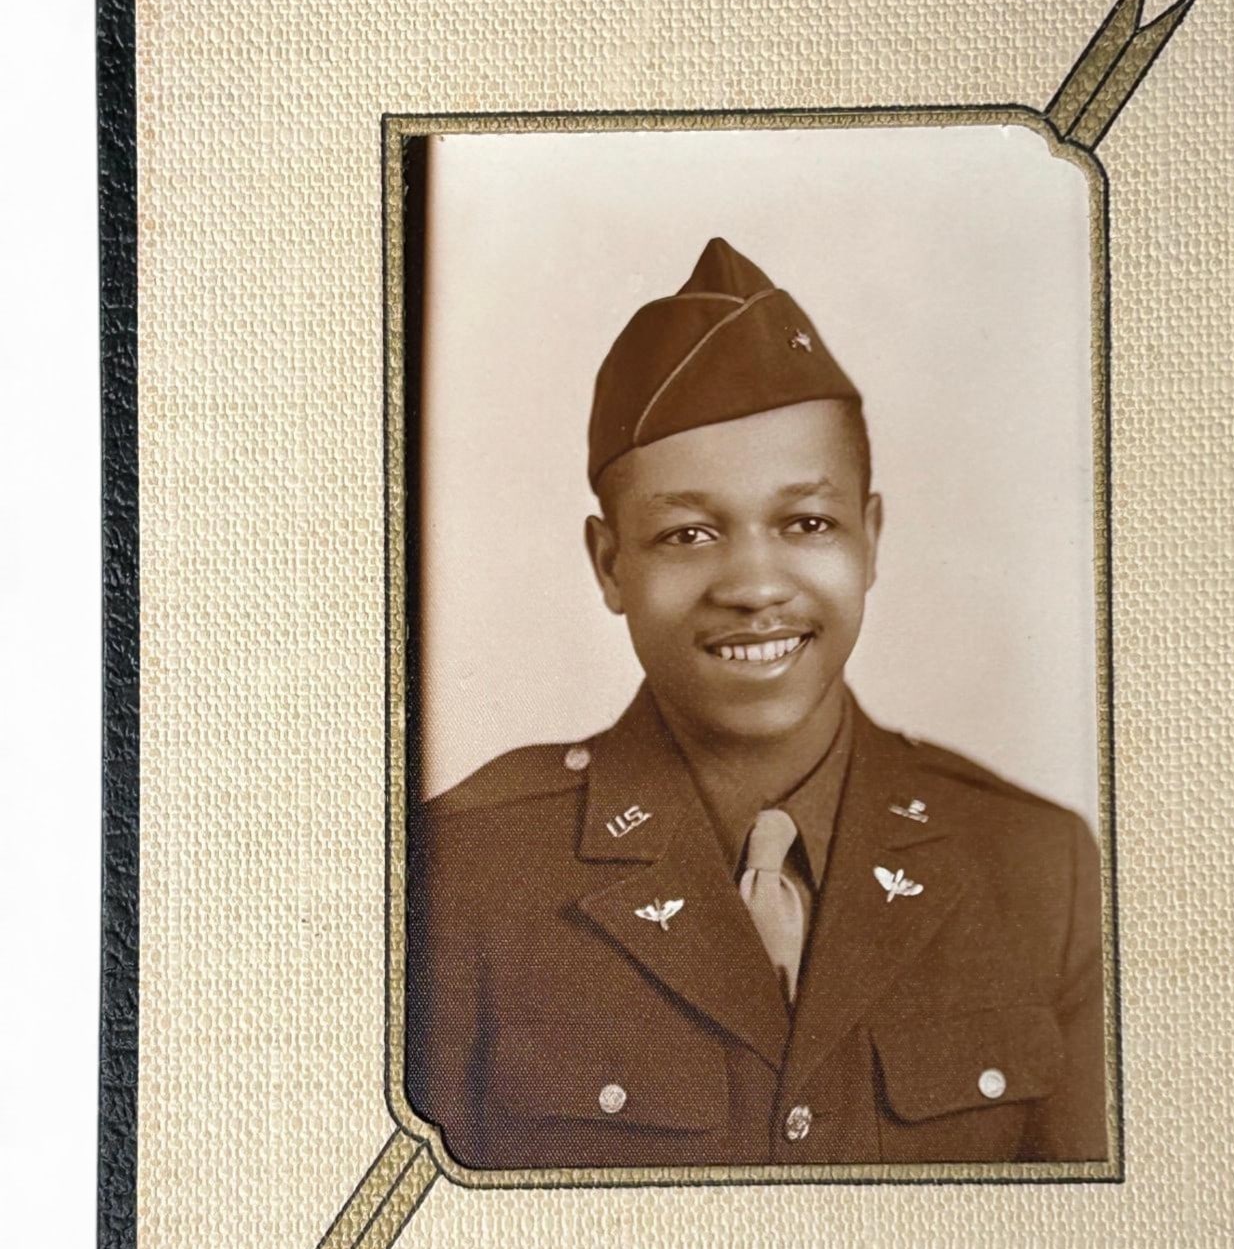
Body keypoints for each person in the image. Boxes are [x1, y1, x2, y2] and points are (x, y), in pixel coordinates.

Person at [406, 238, 1107, 1170]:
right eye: (688, 533)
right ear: (611, 565)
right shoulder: (466, 877)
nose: (754, 584)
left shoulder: (1033, 868)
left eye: (807, 523)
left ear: (872, 538)